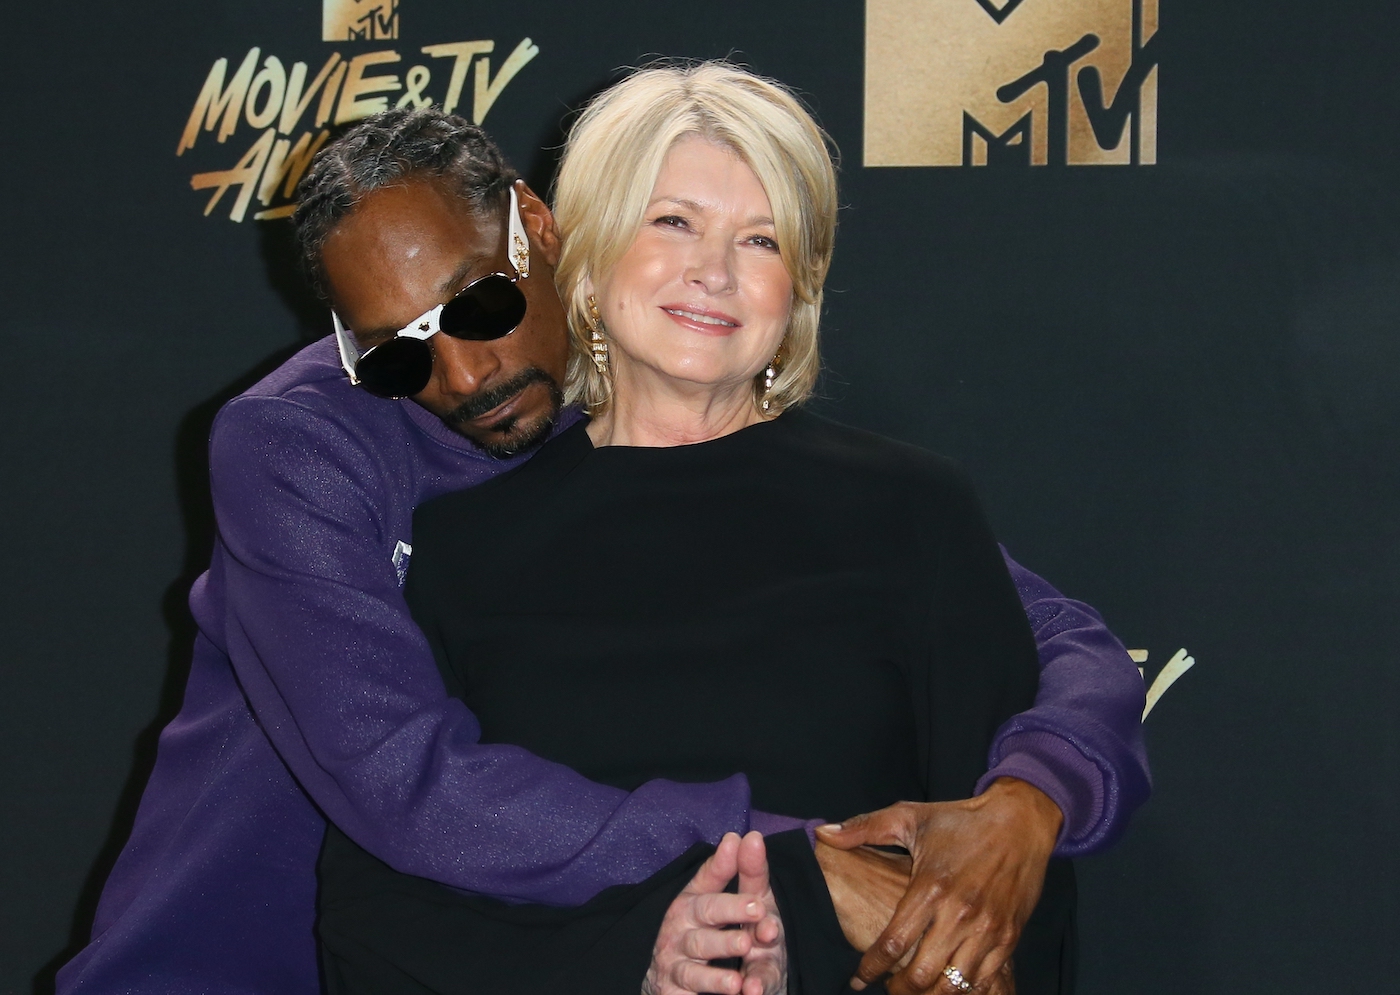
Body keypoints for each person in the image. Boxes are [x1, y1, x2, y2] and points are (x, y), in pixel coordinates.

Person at [56, 101, 1149, 995]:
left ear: (535, 222)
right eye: (398, 358)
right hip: (230, 960)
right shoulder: (297, 442)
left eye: (479, 304)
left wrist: (1029, 797)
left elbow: (1056, 633)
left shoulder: (632, 394)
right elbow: (411, 784)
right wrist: (793, 863)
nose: (464, 379)